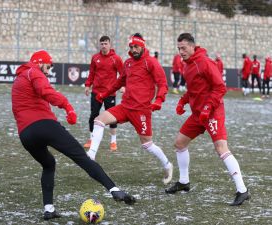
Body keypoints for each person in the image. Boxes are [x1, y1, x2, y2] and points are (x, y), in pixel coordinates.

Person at [11, 50, 135, 221]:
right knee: (82, 158)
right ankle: (114, 190)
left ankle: (49, 209)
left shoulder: (19, 78)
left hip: (25, 134)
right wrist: (67, 106)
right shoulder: (34, 72)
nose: (48, 71)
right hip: (44, 125)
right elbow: (46, 92)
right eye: (48, 66)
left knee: (49, 164)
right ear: (39, 62)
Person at [165, 33, 250, 206]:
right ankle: (184, 182)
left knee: (221, 149)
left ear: (192, 46)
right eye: (178, 48)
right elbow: (193, 90)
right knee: (180, 143)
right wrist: (183, 101)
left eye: (183, 48)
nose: (181, 52)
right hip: (198, 114)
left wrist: (207, 108)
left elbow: (220, 87)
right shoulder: (187, 65)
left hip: (212, 112)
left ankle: (242, 190)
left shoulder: (205, 62)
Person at [86, 33, 173, 185]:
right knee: (98, 120)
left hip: (141, 110)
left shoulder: (151, 62)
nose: (133, 49)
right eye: (131, 47)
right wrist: (104, 94)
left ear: (142, 46)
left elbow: (163, 84)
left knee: (147, 144)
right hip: (125, 107)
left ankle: (167, 164)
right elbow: (119, 82)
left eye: (136, 46)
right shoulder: (128, 63)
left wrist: (159, 100)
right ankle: (91, 156)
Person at [84, 36, 123, 151]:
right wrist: (87, 85)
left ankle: (113, 141)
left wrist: (123, 86)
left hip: (110, 93)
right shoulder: (95, 58)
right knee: (93, 115)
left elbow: (122, 74)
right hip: (96, 92)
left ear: (110, 44)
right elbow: (91, 73)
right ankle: (91, 139)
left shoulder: (116, 59)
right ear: (99, 45)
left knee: (112, 118)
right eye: (102, 44)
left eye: (106, 43)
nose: (104, 46)